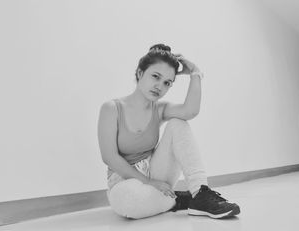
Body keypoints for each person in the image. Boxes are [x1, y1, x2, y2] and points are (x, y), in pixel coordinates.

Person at [97, 44, 240, 219]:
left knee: (178, 123)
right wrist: (149, 183)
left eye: (167, 83)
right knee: (128, 203)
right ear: (140, 73)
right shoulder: (111, 108)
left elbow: (190, 111)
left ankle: (200, 193)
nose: (159, 86)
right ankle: (177, 200)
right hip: (123, 181)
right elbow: (109, 157)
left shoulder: (159, 109)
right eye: (155, 76)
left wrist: (195, 72)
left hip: (157, 172)